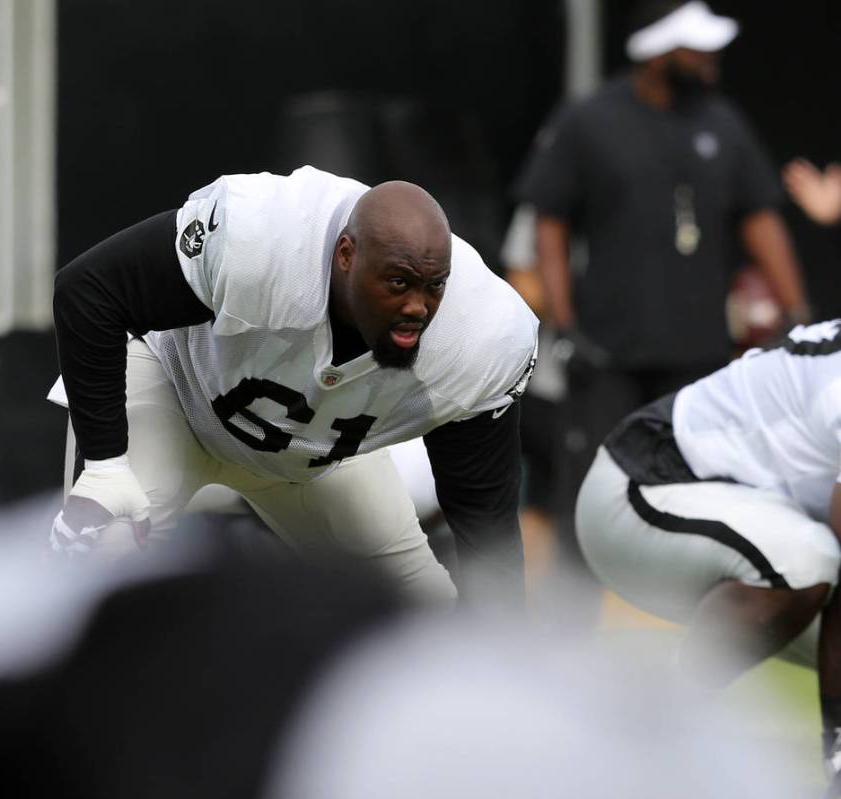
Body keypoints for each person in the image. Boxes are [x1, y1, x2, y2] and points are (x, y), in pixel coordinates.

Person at [49, 166, 538, 612]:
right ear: (345, 254)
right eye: (397, 282)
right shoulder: (265, 234)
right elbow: (88, 289)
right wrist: (106, 466)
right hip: (175, 386)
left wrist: (501, 653)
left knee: (421, 610)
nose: (418, 306)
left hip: (311, 448)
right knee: (101, 573)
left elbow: (485, 521)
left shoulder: (481, 335)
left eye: (433, 286)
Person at [515, 0, 809, 617]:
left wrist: (796, 313)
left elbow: (760, 219)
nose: (710, 59)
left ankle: (689, 632)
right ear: (656, 49)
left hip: (697, 359)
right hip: (608, 353)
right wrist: (564, 327)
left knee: (701, 496)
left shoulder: (723, 122)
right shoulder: (590, 119)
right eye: (696, 47)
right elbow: (551, 223)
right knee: (585, 493)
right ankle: (567, 626)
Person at [574, 319, 841, 779]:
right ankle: (643, 739)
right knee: (808, 560)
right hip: (639, 491)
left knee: (807, 558)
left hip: (738, 516)